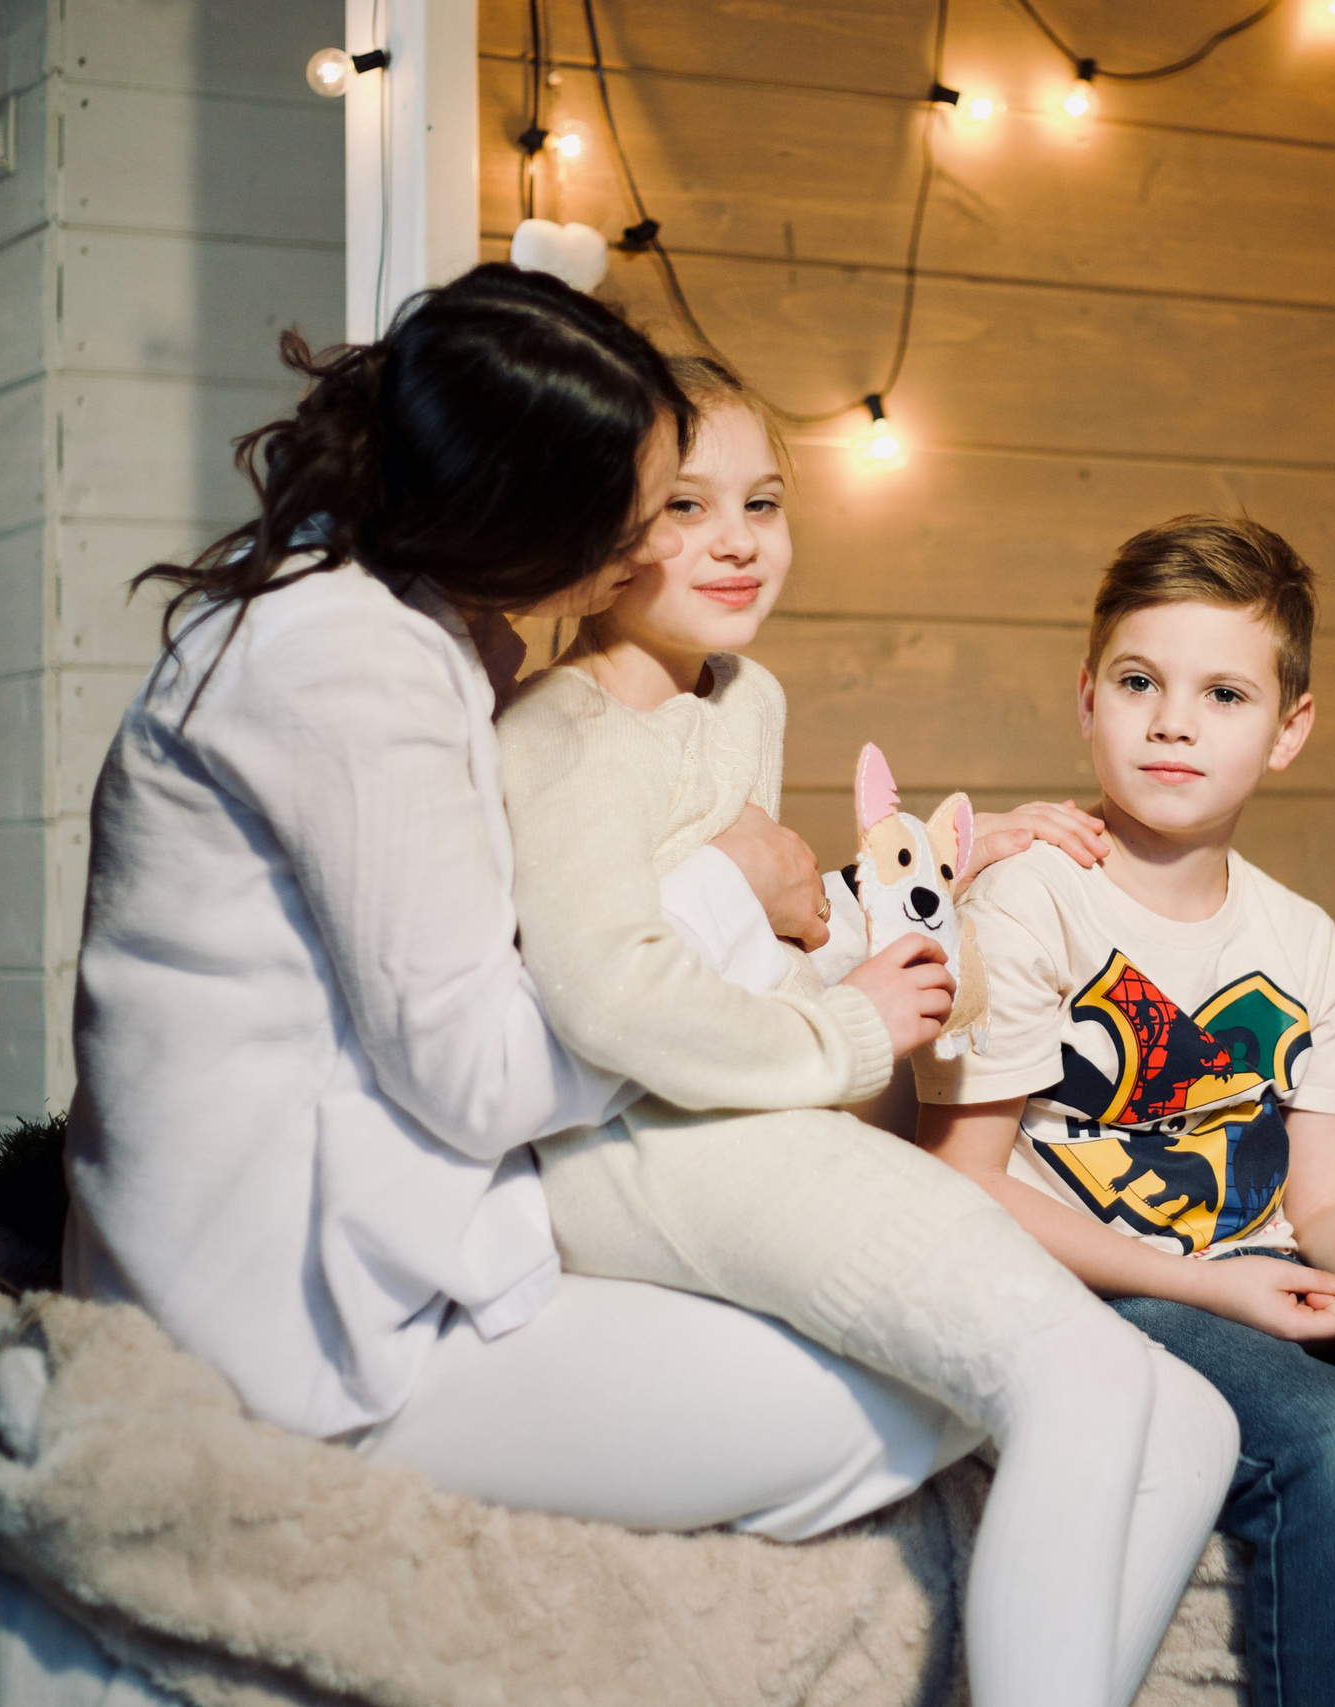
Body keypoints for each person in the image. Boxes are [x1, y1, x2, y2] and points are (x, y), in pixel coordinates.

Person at [67, 264, 991, 1551]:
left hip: (358, 1231)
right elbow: (480, 1078)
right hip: (292, 1311)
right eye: (641, 513)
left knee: (913, 1351)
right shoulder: (350, 666)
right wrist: (732, 888)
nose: (662, 546)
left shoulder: (380, 616)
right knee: (922, 1396)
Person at [491, 356, 1238, 1707]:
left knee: (1191, 1423)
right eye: (685, 506)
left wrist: (931, 878)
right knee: (1078, 1382)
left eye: (763, 503)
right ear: (600, 529)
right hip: (643, 1147)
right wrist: (848, 1028)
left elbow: (757, 938)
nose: (737, 540)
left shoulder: (743, 697)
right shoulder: (563, 733)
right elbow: (610, 995)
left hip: (754, 1117)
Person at [916, 516, 1335, 1707]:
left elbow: (1332, 1199)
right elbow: (962, 1182)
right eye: (1139, 682)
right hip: (1092, 1285)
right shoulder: (1031, 901)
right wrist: (1213, 1288)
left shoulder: (1302, 941)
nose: (1172, 723)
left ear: (1288, 728)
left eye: (1223, 694)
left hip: (1254, 1268)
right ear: (1087, 698)